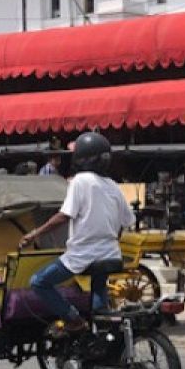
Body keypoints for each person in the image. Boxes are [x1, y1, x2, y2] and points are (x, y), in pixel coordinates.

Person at [20, 132, 136, 333]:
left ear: (81, 158)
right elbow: (127, 221)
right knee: (98, 292)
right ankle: (101, 334)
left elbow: (64, 215)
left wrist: (34, 233)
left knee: (39, 282)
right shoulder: (113, 186)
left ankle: (74, 319)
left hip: (83, 255)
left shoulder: (81, 180)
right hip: (110, 255)